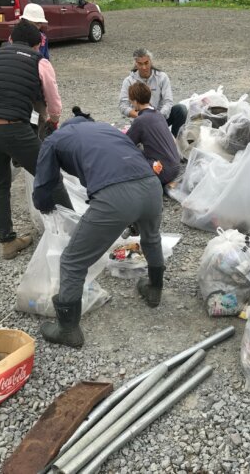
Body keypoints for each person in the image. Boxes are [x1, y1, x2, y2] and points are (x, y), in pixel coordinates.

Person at [33, 110, 165, 348]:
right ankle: (154, 289)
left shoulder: (55, 139)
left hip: (115, 198)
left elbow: (43, 185)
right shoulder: (107, 128)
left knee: (72, 260)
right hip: (151, 186)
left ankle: (67, 329)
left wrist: (46, 208)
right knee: (151, 238)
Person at [0, 22, 73, 260]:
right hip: (12, 127)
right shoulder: (40, 61)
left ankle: (7, 242)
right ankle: (73, 233)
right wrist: (54, 121)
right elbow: (53, 99)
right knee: (50, 175)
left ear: (9, 39)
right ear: (38, 44)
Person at [119, 48, 187, 137]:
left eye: (146, 63)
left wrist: (158, 116)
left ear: (151, 61)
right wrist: (141, 116)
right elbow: (123, 106)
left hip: (160, 117)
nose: (144, 67)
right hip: (141, 120)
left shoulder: (162, 77)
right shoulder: (129, 81)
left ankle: (174, 140)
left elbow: (168, 101)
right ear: (135, 64)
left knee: (181, 110)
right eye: (140, 64)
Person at [126, 82, 181, 186]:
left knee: (131, 153)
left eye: (132, 101)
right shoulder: (158, 114)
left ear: (136, 101)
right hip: (175, 166)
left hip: (163, 172)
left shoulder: (140, 120)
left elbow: (127, 142)